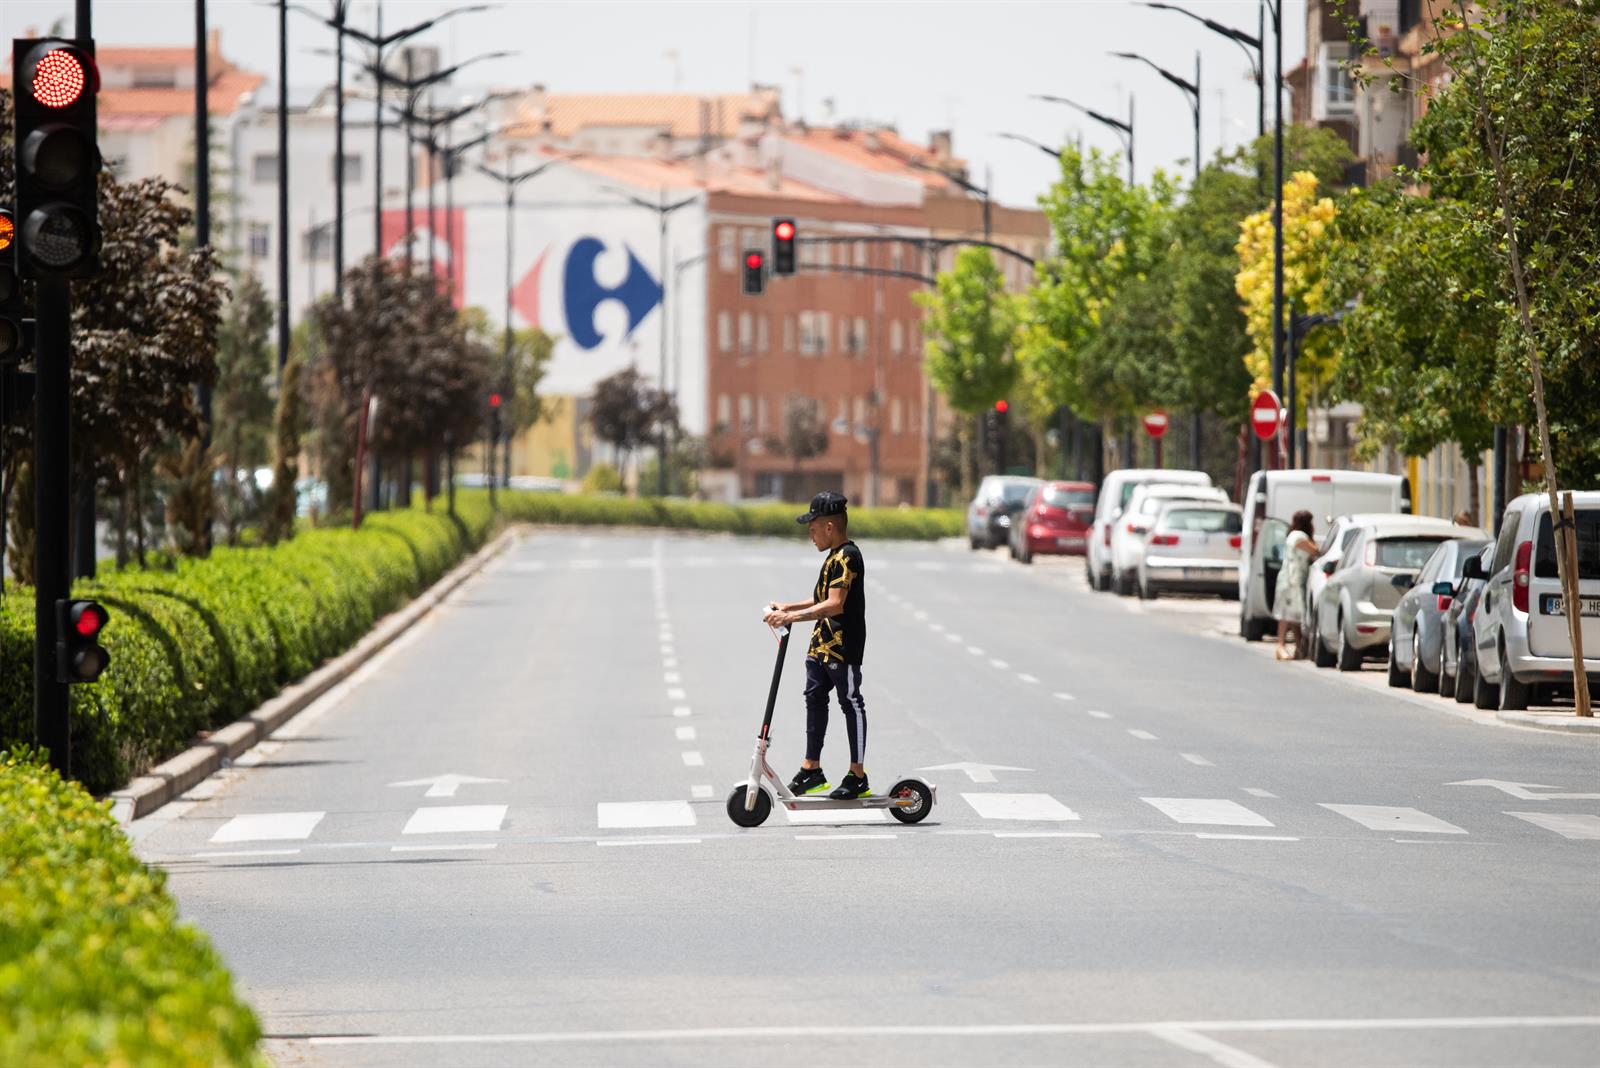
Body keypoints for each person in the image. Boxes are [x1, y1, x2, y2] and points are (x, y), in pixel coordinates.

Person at [762, 491, 870, 800]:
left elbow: (835, 605)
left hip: (842, 647)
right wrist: (788, 607)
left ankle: (857, 775)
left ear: (830, 527)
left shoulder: (848, 556)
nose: (809, 534)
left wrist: (791, 616)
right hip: (821, 646)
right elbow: (821, 598)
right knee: (814, 699)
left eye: (813, 527)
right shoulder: (831, 558)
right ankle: (812, 769)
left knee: (851, 703)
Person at [1274, 509, 1319, 661]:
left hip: (1295, 581)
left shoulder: (1295, 535)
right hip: (1290, 581)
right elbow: (1315, 550)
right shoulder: (1298, 537)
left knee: (1293, 615)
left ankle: (1299, 647)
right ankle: (1280, 645)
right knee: (1286, 614)